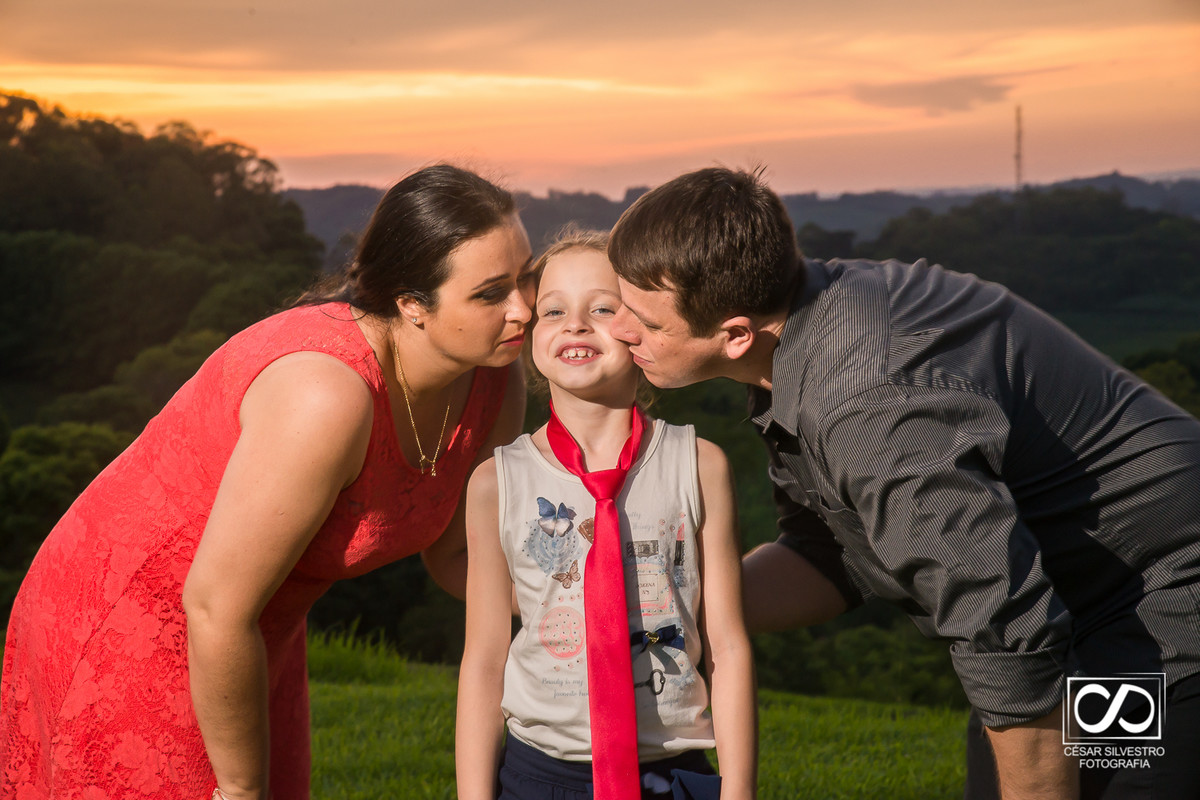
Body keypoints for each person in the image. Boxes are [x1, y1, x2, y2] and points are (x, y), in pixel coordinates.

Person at [604, 167, 1200, 800]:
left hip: (1156, 606)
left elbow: (1003, 638)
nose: (619, 330)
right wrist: (647, 610)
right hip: (1070, 611)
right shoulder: (803, 328)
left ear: (735, 334)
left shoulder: (866, 408)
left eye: (646, 322)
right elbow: (828, 557)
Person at [0, 164, 537, 800]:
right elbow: (215, 605)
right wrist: (239, 789)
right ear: (411, 305)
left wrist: (582, 614)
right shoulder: (324, 396)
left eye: (527, 278)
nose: (524, 309)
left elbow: (456, 554)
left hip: (256, 629)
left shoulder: (496, 384)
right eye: (490, 293)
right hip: (142, 623)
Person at [455, 230, 757, 800]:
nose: (575, 324)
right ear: (531, 336)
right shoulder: (497, 482)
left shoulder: (699, 466)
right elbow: (483, 658)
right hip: (539, 773)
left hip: (674, 771)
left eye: (601, 308)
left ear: (640, 330)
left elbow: (729, 645)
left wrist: (739, 790)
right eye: (553, 310)